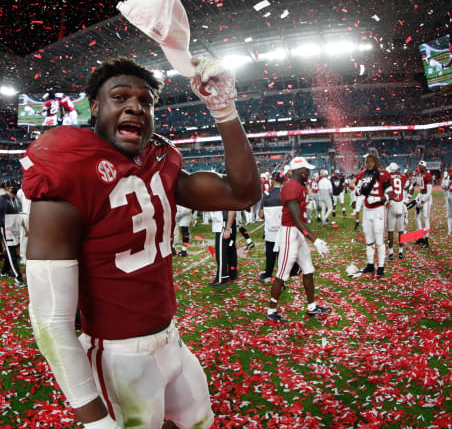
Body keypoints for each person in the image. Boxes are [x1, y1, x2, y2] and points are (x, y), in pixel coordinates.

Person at [21, 56, 260, 428]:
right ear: (96, 108)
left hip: (171, 341)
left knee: (201, 423)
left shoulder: (157, 164)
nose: (135, 106)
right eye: (120, 97)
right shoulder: (68, 171)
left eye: (146, 102)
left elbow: (242, 194)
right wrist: (93, 418)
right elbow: (50, 320)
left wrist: (224, 109)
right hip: (119, 357)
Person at [265, 157, 330, 323]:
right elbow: (295, 218)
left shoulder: (297, 186)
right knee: (281, 274)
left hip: (297, 232)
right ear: (299, 171)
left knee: (308, 268)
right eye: (306, 170)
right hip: (289, 233)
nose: (308, 173)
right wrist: (315, 240)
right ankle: (271, 311)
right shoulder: (292, 187)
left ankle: (312, 306)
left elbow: (299, 220)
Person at [350, 153, 393, 277]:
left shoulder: (383, 174)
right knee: (369, 239)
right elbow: (357, 190)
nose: (369, 164)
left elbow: (390, 195)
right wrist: (359, 190)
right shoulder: (363, 175)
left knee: (379, 239)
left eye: (371, 162)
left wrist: (378, 199)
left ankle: (381, 267)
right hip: (367, 211)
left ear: (376, 162)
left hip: (378, 210)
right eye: (367, 162)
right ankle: (370, 264)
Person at [0, 179, 26, 286]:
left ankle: (5, 271)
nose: (15, 188)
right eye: (13, 186)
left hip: (15, 228)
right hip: (6, 229)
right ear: (7, 188)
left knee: (10, 251)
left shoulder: (17, 199)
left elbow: (19, 216)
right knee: (11, 253)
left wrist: (25, 229)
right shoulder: (2, 199)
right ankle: (18, 277)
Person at [258, 171, 283, 282]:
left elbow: (261, 214)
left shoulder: (267, 195)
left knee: (270, 254)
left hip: (270, 231)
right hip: (283, 231)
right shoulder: (286, 193)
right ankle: (282, 275)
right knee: (282, 255)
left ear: (273, 180)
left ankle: (268, 274)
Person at [385, 163, 409, 260]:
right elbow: (409, 186)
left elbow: (386, 192)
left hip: (392, 204)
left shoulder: (388, 178)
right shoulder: (403, 177)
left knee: (390, 230)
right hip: (401, 204)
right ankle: (400, 252)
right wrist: (407, 199)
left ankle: (391, 253)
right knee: (401, 230)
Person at [209, 210, 237, 286]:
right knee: (230, 250)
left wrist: (227, 228)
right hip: (225, 223)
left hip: (224, 224)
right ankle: (232, 274)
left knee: (221, 252)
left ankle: (222, 277)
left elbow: (232, 209)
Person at [413, 160, 433, 248]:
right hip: (421, 195)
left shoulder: (428, 175)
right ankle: (420, 236)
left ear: (424, 167)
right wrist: (417, 198)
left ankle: (426, 239)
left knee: (426, 217)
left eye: (420, 166)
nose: (419, 167)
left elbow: (429, 192)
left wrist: (423, 200)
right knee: (416, 216)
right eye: (419, 166)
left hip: (427, 198)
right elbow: (420, 189)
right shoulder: (420, 175)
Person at [442, 170, 451, 236]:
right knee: (450, 214)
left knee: (450, 215)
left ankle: (450, 231)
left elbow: (449, 183)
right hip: (449, 193)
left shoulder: (449, 178)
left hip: (449, 193)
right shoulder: (448, 178)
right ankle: (450, 231)